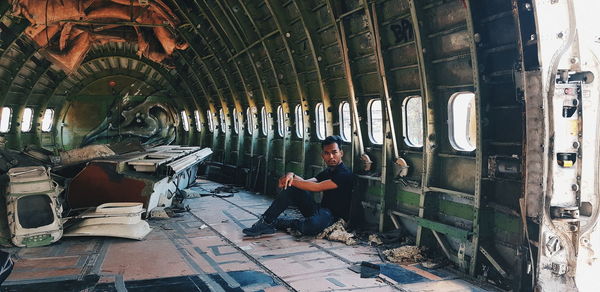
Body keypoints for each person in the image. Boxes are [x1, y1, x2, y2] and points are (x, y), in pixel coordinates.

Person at [243, 135, 354, 237]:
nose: (331, 156)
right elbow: (308, 182)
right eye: (327, 153)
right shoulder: (328, 171)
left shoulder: (344, 174)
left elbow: (317, 187)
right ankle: (266, 222)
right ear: (323, 155)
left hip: (334, 217)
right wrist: (291, 175)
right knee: (293, 188)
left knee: (310, 227)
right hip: (320, 210)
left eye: (334, 152)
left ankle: (282, 222)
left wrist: (291, 181)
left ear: (341, 153)